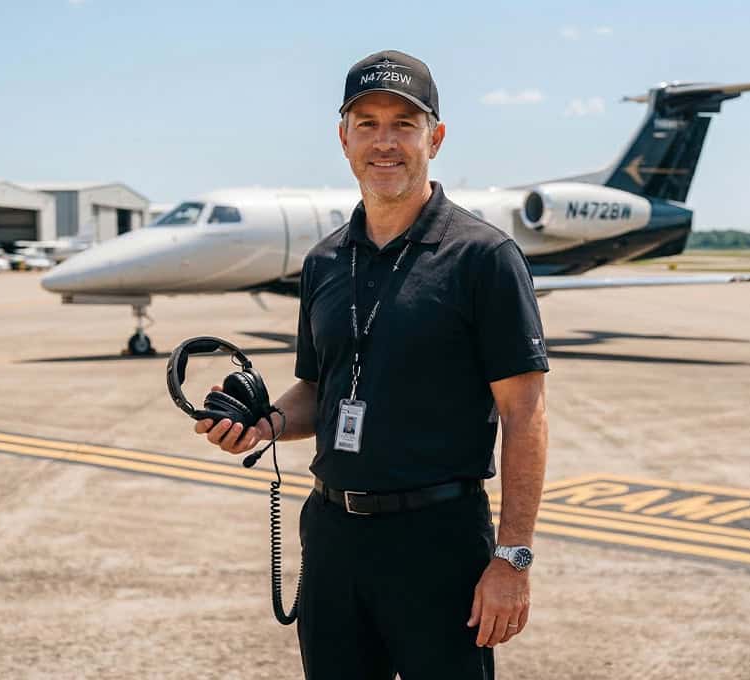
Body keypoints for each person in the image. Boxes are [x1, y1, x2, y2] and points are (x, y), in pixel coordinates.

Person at [194, 49, 549, 680]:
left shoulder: (484, 257)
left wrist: (512, 559)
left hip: (438, 539)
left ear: (434, 138)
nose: (385, 142)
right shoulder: (325, 261)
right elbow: (317, 388)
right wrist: (264, 425)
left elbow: (524, 414)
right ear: (344, 139)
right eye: (367, 124)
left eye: (403, 125)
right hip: (333, 536)